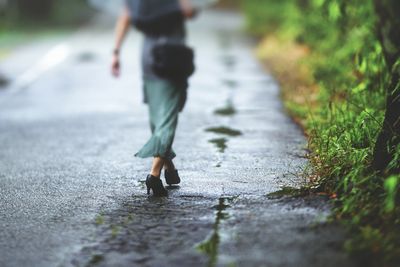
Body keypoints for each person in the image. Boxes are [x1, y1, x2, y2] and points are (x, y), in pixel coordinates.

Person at [111, 0, 196, 196]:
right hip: (172, 55)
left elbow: (125, 18)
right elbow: (189, 12)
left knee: (157, 116)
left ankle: (170, 168)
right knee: (167, 117)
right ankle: (154, 175)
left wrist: (116, 52)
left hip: (149, 56)